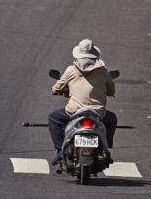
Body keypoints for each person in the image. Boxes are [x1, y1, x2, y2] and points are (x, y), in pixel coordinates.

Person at [48, 39, 117, 167]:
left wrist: (55, 90)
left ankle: (59, 150)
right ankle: (106, 149)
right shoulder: (103, 71)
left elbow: (57, 88)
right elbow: (111, 89)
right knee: (112, 119)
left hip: (74, 111)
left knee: (53, 118)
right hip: (97, 112)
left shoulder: (71, 70)